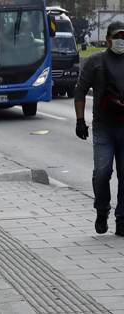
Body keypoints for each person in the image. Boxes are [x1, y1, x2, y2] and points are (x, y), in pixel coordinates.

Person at [74, 21, 124, 236]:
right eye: (118, 37)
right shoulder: (95, 61)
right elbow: (80, 92)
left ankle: (122, 219)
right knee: (102, 173)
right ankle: (102, 210)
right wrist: (79, 121)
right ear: (108, 39)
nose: (122, 41)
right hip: (103, 127)